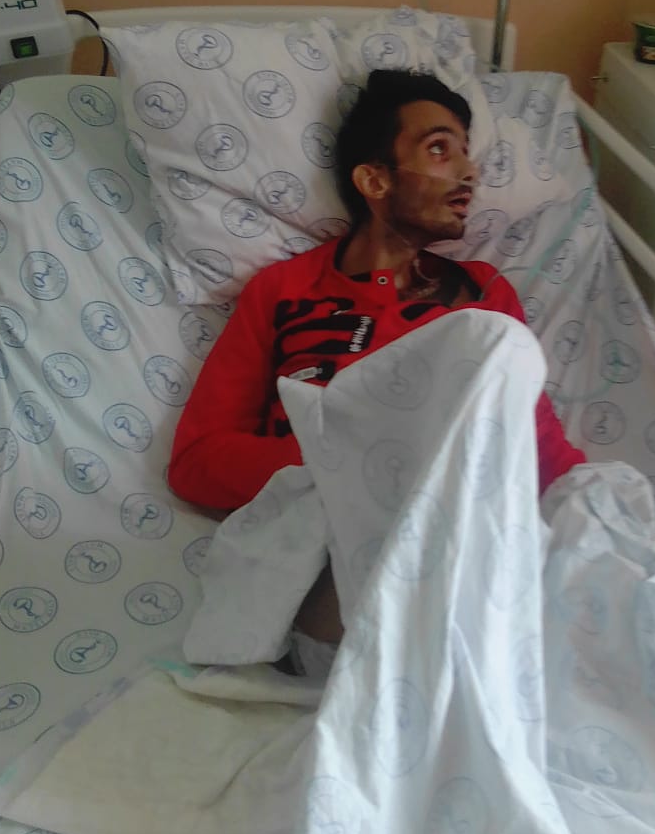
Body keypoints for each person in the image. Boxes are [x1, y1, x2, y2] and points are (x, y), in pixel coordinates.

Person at [169, 68, 585, 643]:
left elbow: (536, 444)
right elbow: (196, 461)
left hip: (462, 533)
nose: (469, 173)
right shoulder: (282, 291)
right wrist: (347, 468)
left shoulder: (484, 296)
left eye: (467, 154)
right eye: (439, 150)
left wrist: (589, 504)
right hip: (320, 545)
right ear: (375, 179)